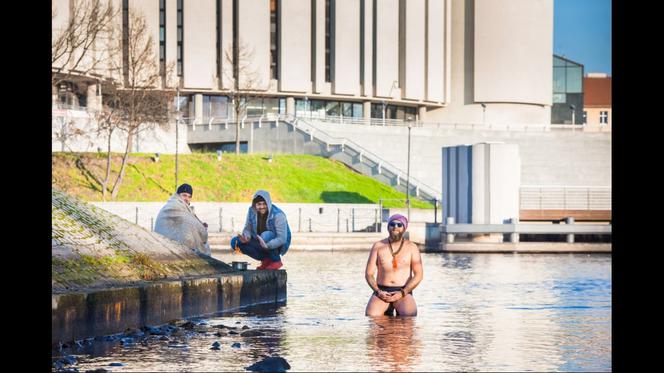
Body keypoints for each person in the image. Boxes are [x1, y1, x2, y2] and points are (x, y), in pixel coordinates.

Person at [365, 214, 423, 316]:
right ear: (388, 227)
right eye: (392, 224)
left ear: (404, 228)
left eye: (399, 225)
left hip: (403, 291)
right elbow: (369, 274)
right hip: (382, 291)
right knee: (372, 316)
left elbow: (419, 275)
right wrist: (378, 291)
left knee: (409, 316)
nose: (395, 227)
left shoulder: (412, 247)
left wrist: (403, 292)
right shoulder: (378, 246)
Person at [230, 190, 291, 270]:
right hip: (260, 241)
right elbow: (248, 228)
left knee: (266, 235)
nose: (262, 207)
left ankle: (276, 261)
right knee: (235, 242)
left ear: (268, 203)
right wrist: (246, 237)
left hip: (277, 244)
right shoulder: (251, 211)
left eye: (264, 203)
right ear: (255, 204)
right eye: (259, 204)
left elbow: (282, 238)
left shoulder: (278, 215)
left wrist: (268, 246)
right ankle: (266, 260)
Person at [154, 183, 211, 256]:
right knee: (202, 248)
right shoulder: (174, 205)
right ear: (178, 195)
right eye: (184, 195)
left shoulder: (184, 208)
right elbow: (189, 222)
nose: (187, 198)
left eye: (189, 196)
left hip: (171, 245)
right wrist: (201, 228)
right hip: (165, 246)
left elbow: (189, 221)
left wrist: (200, 225)